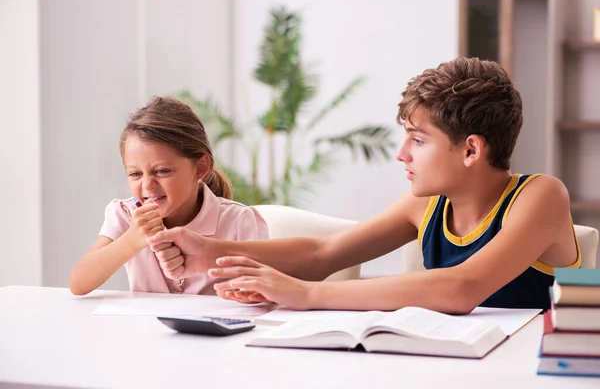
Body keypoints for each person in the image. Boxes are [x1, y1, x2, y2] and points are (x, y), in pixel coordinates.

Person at [146, 57, 581, 313]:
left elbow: (462, 287)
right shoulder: (426, 208)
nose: (401, 153)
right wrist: (210, 250)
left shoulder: (540, 196)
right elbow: (321, 253)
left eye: (418, 139)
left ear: (471, 150)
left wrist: (308, 295)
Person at [68, 97, 268, 296]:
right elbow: (78, 283)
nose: (147, 185)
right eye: (135, 174)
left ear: (201, 168)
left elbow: (265, 291)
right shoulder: (126, 215)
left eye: (162, 171)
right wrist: (131, 240)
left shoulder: (240, 222)